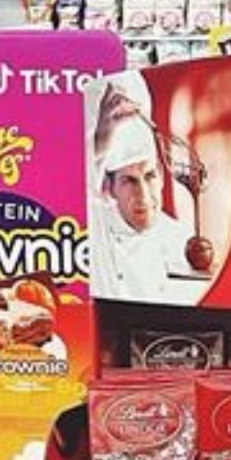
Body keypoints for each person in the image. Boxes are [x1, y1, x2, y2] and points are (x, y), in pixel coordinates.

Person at [89, 72, 196, 301]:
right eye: (129, 181)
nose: (143, 195)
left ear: (162, 175)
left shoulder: (182, 240)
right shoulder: (95, 231)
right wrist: (99, 143)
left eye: (149, 176)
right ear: (109, 188)